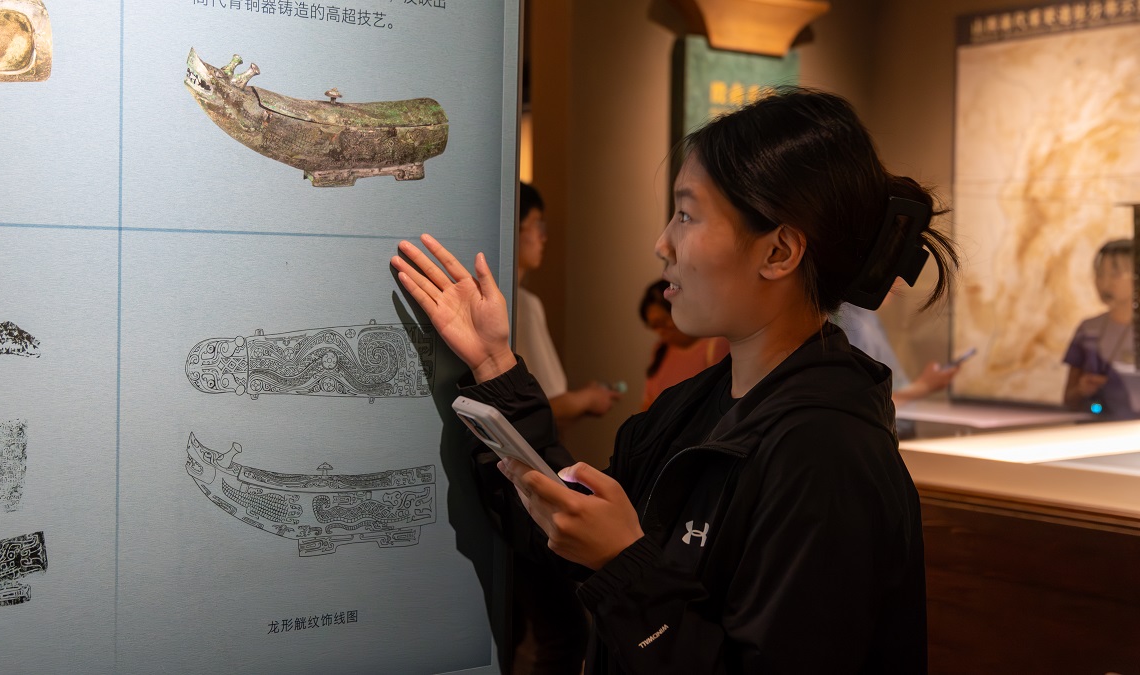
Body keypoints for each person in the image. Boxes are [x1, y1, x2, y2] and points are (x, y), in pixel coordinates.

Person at [392, 87, 958, 673]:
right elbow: (574, 525)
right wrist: (493, 364)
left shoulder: (830, 456)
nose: (662, 243)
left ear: (779, 252)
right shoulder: (692, 407)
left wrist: (624, 566)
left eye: (686, 215)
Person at [515, 182, 620, 429]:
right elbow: (549, 404)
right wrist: (590, 398)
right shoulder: (524, 305)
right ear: (513, 226)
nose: (543, 237)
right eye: (537, 225)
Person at [834, 300, 960, 438]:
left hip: (892, 428)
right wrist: (924, 386)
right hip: (880, 432)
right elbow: (863, 404)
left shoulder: (867, 317)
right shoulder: (854, 323)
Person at [1063, 238, 1139, 419]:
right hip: (1094, 428)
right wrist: (1082, 390)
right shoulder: (1088, 329)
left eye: (1115, 274)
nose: (1105, 282)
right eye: (1100, 274)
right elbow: (1068, 399)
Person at [638, 279, 728, 410]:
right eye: (654, 326)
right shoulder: (660, 350)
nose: (661, 331)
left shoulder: (714, 346)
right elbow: (648, 404)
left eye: (663, 322)